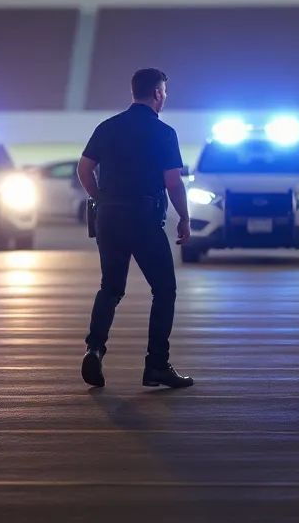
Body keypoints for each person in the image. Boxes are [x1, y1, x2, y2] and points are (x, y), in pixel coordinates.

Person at [76, 68, 194, 389]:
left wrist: (99, 198)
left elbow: (84, 168)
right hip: (143, 219)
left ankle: (95, 349)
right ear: (157, 93)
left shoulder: (108, 127)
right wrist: (184, 217)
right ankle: (156, 364)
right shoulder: (163, 133)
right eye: (164, 92)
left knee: (111, 288)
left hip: (109, 218)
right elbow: (173, 182)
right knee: (164, 290)